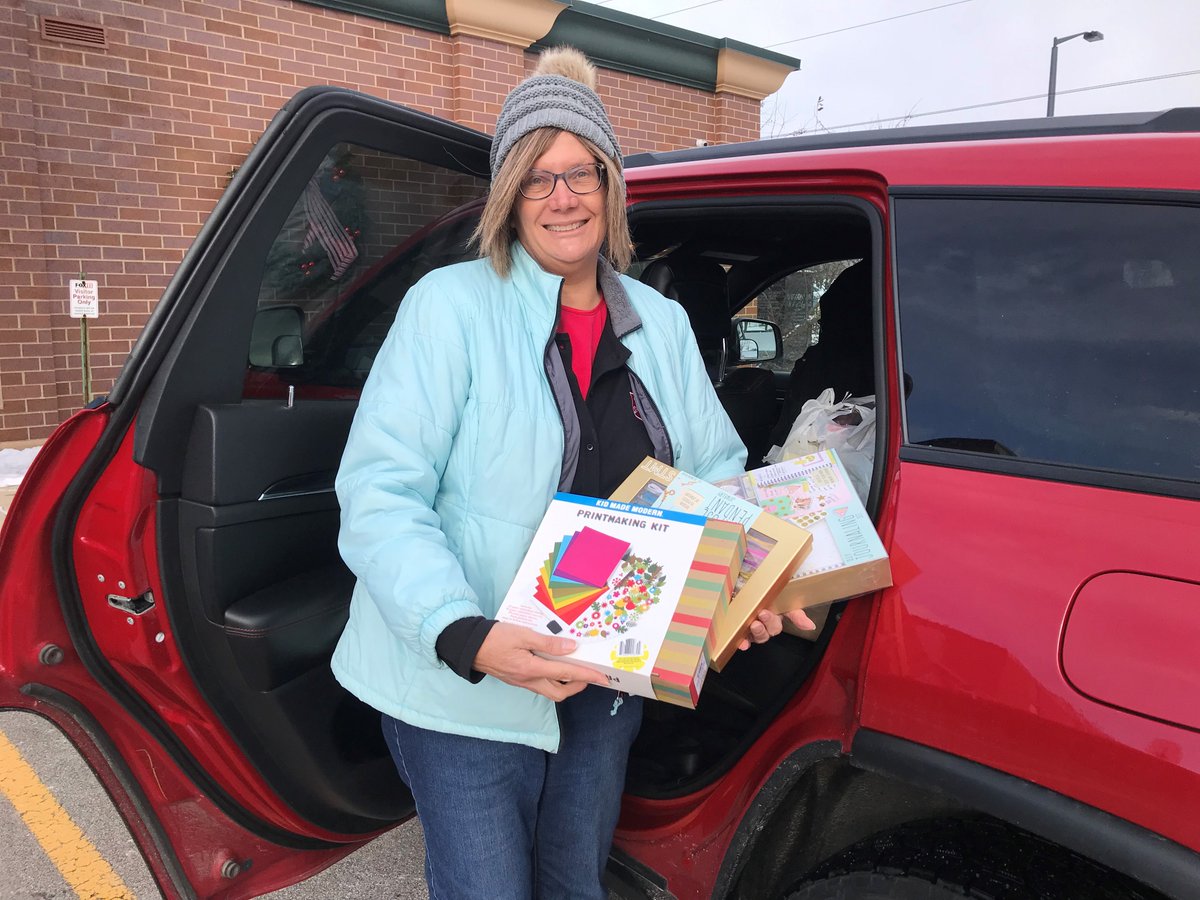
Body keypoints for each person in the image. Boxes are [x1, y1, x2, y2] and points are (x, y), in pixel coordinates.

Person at [330, 46, 813, 900]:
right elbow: (380, 491)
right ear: (508, 198)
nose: (562, 197)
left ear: (611, 184)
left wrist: (747, 583)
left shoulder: (659, 322)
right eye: (535, 178)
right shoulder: (449, 307)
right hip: (466, 688)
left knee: (575, 883)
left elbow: (712, 470)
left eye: (581, 172)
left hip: (608, 674)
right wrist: (462, 632)